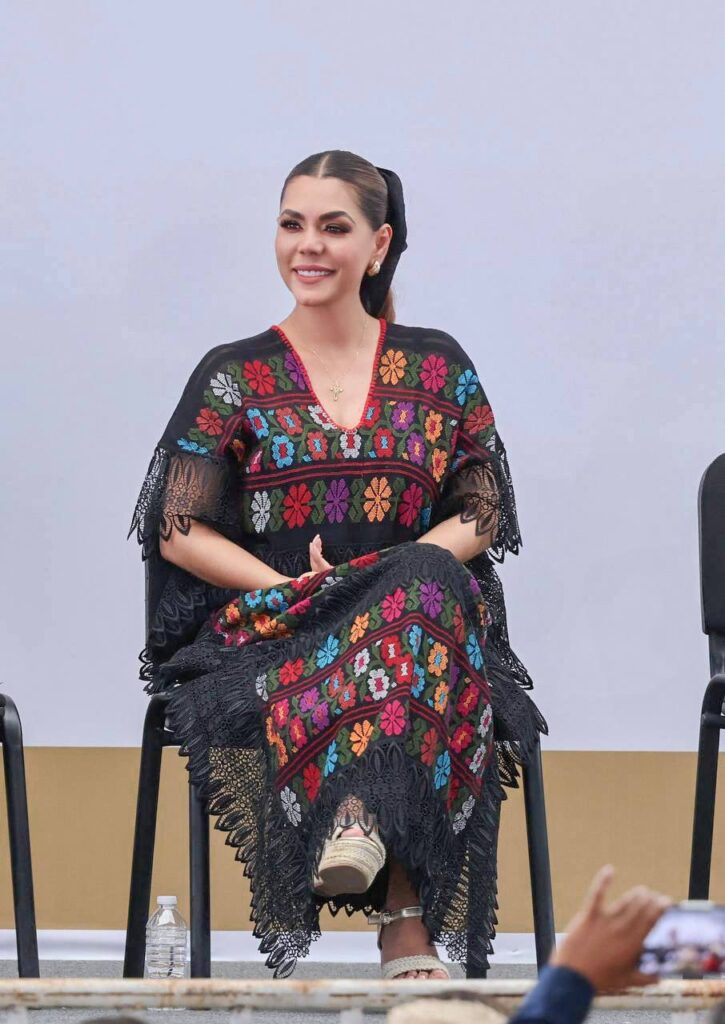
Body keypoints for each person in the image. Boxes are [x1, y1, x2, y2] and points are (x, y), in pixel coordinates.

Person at [128, 149, 546, 980]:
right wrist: (294, 587)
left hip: (422, 638)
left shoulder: (438, 367)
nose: (307, 245)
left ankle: (362, 830)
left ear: (378, 244)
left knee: (423, 591)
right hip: (278, 629)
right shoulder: (233, 375)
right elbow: (177, 528)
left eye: (333, 227)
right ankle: (402, 921)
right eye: (292, 224)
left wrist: (384, 580)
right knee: (415, 608)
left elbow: (483, 508)